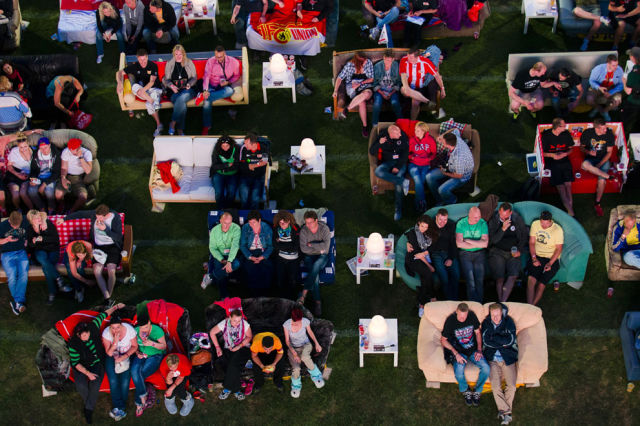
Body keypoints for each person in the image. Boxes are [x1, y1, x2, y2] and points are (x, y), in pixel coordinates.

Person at [69, 302, 125, 424]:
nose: (86, 336)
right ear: (78, 335)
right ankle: (89, 402)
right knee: (81, 385)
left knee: (95, 382)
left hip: (97, 362)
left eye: (86, 333)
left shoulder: (92, 327)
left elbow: (103, 315)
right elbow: (76, 363)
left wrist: (115, 307)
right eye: (82, 335)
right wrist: (87, 373)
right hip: (81, 365)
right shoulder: (74, 344)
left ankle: (88, 409)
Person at [63, 204, 123, 301]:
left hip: (112, 247)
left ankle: (109, 294)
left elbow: (118, 237)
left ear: (106, 215)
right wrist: (65, 219)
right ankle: (107, 297)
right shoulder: (94, 215)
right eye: (96, 216)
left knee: (111, 271)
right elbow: (80, 213)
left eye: (100, 217)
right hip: (99, 247)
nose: (97, 219)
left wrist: (106, 230)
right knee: (96, 271)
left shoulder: (114, 218)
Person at [441, 302, 490, 407]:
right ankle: (466, 390)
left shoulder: (471, 316)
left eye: (465, 316)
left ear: (467, 313)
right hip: (459, 351)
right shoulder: (451, 321)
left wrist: (479, 350)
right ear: (456, 312)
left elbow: (477, 333)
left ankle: (477, 390)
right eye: (460, 316)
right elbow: (443, 340)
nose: (463, 319)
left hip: (473, 350)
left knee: (486, 368)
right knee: (458, 372)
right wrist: (456, 353)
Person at [481, 303, 518, 426]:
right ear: (490, 314)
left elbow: (511, 340)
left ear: (502, 313)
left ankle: (504, 412)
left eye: (497, 315)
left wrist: (495, 337)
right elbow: (486, 341)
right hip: (492, 359)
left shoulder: (509, 322)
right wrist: (502, 340)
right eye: (493, 315)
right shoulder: (486, 323)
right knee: (495, 387)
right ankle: (507, 413)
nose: (495, 318)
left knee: (512, 386)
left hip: (508, 357)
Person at [116, 48, 163, 136]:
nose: (143, 62)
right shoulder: (134, 66)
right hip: (144, 93)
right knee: (134, 87)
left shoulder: (153, 65)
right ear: (137, 58)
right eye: (141, 60)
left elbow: (152, 82)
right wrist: (119, 83)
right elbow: (119, 73)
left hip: (154, 89)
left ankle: (158, 125)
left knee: (148, 105)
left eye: (144, 59)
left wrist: (143, 90)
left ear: (147, 57)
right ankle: (153, 101)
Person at [101, 311, 138, 421]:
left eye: (118, 327)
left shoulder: (129, 330)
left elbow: (135, 346)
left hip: (126, 355)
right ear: (110, 327)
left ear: (121, 326)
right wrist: (115, 343)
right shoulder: (106, 333)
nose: (115, 330)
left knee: (125, 380)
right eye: (113, 328)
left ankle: (120, 408)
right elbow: (108, 352)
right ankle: (120, 407)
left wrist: (124, 356)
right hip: (111, 356)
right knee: (113, 380)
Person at [487, 202, 527, 302]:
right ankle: (502, 303)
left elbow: (523, 236)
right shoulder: (494, 220)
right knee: (499, 279)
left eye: (506, 215)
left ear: (510, 213)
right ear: (499, 212)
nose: (503, 217)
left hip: (513, 250)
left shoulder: (517, 219)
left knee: (513, 276)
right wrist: (502, 229)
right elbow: (492, 240)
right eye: (501, 214)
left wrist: (520, 250)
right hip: (497, 251)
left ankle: (502, 302)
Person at [209, 309, 253, 401]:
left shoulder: (244, 324)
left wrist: (239, 346)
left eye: (239, 320)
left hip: (243, 348)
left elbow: (249, 337)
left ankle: (228, 389)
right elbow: (212, 332)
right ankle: (236, 390)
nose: (237, 323)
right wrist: (217, 347)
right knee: (230, 366)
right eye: (234, 320)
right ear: (230, 318)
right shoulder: (224, 323)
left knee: (233, 366)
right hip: (229, 348)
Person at [369, 124, 409, 221]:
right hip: (387, 162)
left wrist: (397, 166)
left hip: (400, 163)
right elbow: (372, 151)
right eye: (397, 133)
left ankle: (398, 209)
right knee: (378, 171)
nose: (400, 134)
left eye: (399, 132)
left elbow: (405, 154)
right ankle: (403, 181)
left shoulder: (402, 136)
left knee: (398, 184)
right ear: (391, 134)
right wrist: (379, 143)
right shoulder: (383, 136)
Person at [283, 306, 325, 398]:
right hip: (293, 348)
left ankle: (316, 376)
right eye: (296, 322)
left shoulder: (305, 321)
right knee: (296, 368)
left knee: (305, 357)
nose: (298, 323)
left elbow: (310, 332)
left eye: (299, 321)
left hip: (305, 344)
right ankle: (296, 386)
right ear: (292, 319)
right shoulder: (286, 325)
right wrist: (294, 354)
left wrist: (317, 344)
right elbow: (287, 341)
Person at [131, 310, 167, 417]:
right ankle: (144, 395)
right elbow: (134, 345)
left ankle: (139, 403)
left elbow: (164, 346)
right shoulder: (136, 330)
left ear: (149, 323)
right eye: (142, 328)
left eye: (146, 327)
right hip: (141, 353)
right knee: (134, 370)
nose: (144, 330)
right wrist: (137, 352)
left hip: (155, 355)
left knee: (141, 373)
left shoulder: (157, 331)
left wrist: (152, 343)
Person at [425, 130, 474, 206]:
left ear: (448, 145)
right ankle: (439, 199)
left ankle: (451, 200)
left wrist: (446, 173)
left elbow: (459, 175)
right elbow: (456, 129)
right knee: (429, 177)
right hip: (450, 165)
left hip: (461, 176)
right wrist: (442, 136)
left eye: (443, 142)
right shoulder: (456, 138)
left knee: (442, 190)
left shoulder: (459, 158)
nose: (441, 143)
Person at [580, 118, 617, 216]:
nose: (606, 130)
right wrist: (588, 152)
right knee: (584, 165)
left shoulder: (609, 134)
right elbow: (582, 147)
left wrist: (600, 164)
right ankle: (607, 176)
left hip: (603, 159)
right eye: (603, 129)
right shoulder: (587, 133)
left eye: (606, 128)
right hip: (590, 159)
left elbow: (609, 153)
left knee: (602, 182)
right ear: (597, 129)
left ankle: (597, 202)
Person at [201, 46, 241, 135]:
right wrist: (205, 90)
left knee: (230, 91)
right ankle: (207, 126)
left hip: (224, 86)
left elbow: (236, 75)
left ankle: (206, 97)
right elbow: (206, 76)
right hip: (212, 84)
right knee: (207, 103)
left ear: (225, 54)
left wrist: (228, 82)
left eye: (221, 57)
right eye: (217, 57)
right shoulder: (211, 61)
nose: (218, 59)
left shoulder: (233, 62)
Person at [332, 52, 374, 137]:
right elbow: (340, 78)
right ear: (357, 63)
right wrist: (335, 91)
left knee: (366, 94)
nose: (366, 63)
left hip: (365, 86)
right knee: (361, 102)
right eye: (363, 62)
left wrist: (361, 83)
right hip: (352, 88)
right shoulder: (349, 65)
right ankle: (365, 126)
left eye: (365, 61)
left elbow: (371, 79)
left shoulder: (368, 62)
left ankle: (347, 109)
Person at [527, 210, 564, 305]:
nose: (543, 226)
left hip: (551, 258)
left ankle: (531, 306)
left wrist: (550, 263)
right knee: (531, 281)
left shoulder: (557, 230)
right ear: (540, 220)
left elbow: (559, 249)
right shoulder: (535, 224)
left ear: (550, 221)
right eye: (542, 223)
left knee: (541, 284)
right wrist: (534, 258)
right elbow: (531, 242)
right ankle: (529, 307)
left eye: (546, 224)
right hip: (537, 256)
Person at [405, 214, 439, 317]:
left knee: (426, 277)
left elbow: (431, 248)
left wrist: (426, 258)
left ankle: (422, 303)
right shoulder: (413, 234)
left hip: (423, 257)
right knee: (428, 273)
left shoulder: (430, 234)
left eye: (426, 227)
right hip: (414, 259)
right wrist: (429, 266)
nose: (423, 229)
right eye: (422, 226)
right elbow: (417, 254)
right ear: (418, 223)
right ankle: (432, 297)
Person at [298, 210, 331, 316]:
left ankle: (303, 294)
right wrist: (318, 247)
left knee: (316, 265)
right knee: (315, 274)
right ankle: (317, 302)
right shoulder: (304, 230)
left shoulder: (324, 229)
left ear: (316, 220)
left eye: (310, 222)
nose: (308, 225)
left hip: (322, 256)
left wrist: (311, 245)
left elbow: (326, 248)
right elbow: (303, 249)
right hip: (309, 256)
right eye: (306, 222)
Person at [26, 210, 62, 305]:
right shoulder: (30, 229)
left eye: (39, 217)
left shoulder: (47, 224)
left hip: (53, 250)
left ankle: (52, 293)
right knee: (42, 259)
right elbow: (30, 246)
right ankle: (59, 278)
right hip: (40, 251)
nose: (38, 219)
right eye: (36, 218)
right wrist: (33, 243)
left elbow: (55, 240)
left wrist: (42, 239)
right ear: (31, 220)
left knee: (46, 268)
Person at [202, 211, 241, 297]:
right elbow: (212, 248)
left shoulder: (236, 229)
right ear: (220, 221)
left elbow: (235, 246)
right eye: (224, 223)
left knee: (236, 264)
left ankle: (211, 276)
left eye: (229, 223)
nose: (227, 226)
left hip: (232, 254)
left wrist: (229, 261)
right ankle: (224, 295)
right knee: (221, 270)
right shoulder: (214, 231)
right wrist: (222, 259)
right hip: (219, 255)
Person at [540, 118, 575, 216]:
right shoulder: (546, 136)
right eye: (564, 125)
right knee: (561, 187)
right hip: (552, 162)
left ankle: (570, 210)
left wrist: (564, 154)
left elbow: (571, 149)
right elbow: (541, 152)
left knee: (568, 185)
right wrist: (553, 156)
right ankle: (571, 212)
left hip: (564, 160)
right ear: (558, 127)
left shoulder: (566, 134)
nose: (566, 127)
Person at [400, 48, 446, 121]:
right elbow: (403, 76)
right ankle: (428, 102)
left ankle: (412, 122)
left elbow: (437, 76)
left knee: (415, 103)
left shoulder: (425, 63)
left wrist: (442, 88)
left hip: (420, 87)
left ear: (417, 57)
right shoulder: (404, 60)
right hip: (407, 85)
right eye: (408, 56)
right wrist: (407, 87)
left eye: (411, 57)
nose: (408, 59)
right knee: (404, 89)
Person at [161, 45, 196, 135]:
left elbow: (194, 78)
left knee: (182, 98)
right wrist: (171, 86)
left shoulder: (189, 62)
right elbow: (166, 79)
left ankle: (172, 123)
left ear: (183, 54)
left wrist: (189, 84)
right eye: (176, 54)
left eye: (180, 54)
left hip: (188, 90)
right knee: (182, 105)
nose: (178, 56)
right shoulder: (170, 64)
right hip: (174, 92)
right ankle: (180, 129)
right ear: (173, 54)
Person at [456, 206, 488, 302]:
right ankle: (472, 304)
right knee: (470, 281)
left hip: (480, 254)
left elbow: (485, 244)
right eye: (475, 217)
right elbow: (459, 243)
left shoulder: (482, 223)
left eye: (479, 216)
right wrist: (478, 243)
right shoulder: (461, 224)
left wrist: (468, 240)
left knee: (479, 280)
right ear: (469, 215)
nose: (477, 219)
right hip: (465, 254)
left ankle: (479, 303)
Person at [0, 210, 28, 315]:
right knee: (12, 276)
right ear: (9, 221)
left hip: (21, 252)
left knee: (23, 275)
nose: (15, 228)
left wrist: (27, 240)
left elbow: (36, 217)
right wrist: (6, 239)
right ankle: (19, 302)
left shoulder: (25, 220)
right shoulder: (2, 226)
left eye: (17, 226)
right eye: (13, 225)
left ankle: (17, 303)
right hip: (7, 254)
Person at [240, 210, 274, 296]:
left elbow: (270, 246)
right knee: (250, 269)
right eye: (250, 223)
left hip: (263, 251)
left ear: (259, 220)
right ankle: (253, 294)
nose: (251, 225)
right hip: (250, 251)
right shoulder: (246, 227)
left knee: (266, 269)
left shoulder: (266, 228)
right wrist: (250, 256)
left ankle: (265, 294)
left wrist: (263, 257)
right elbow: (242, 245)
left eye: (254, 223)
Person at [56, 137, 93, 213]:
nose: (72, 152)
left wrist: (81, 157)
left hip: (78, 178)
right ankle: (62, 205)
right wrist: (63, 178)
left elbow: (88, 170)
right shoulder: (66, 151)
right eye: (71, 150)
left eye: (75, 150)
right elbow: (64, 167)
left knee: (83, 197)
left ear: (79, 147)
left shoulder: (87, 153)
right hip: (67, 175)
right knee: (58, 194)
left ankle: (71, 211)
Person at [431, 208, 460, 300]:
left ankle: (454, 298)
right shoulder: (430, 225)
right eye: (440, 219)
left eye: (445, 220)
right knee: (444, 277)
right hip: (436, 254)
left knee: (456, 274)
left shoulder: (450, 225)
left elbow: (453, 243)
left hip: (448, 252)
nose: (443, 222)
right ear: (436, 217)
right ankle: (448, 299)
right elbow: (418, 227)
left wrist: (451, 258)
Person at [407, 121, 437, 212]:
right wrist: (411, 157)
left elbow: (434, 153)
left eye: (418, 131)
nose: (416, 132)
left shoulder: (430, 140)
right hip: (413, 164)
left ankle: (418, 203)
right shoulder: (412, 140)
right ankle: (422, 202)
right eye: (415, 130)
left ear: (424, 131)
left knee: (421, 180)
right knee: (417, 178)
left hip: (425, 165)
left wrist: (428, 159)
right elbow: (407, 153)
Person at [28, 137, 61, 214]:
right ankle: (41, 207)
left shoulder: (56, 154)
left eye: (45, 147)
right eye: (41, 148)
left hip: (51, 177)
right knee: (31, 191)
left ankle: (51, 208)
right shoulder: (36, 154)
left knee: (49, 190)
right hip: (39, 177)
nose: (44, 150)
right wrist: (33, 179)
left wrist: (44, 184)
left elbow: (56, 173)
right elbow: (33, 170)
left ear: (49, 145)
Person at [238, 132, 270, 209]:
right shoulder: (243, 149)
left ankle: (254, 215)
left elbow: (265, 162)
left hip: (258, 177)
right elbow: (241, 165)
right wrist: (257, 164)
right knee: (244, 198)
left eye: (246, 143)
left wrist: (253, 165)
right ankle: (245, 215)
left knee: (254, 199)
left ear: (253, 144)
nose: (244, 145)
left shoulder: (264, 149)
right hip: (245, 176)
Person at [371, 49, 403, 128]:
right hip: (380, 90)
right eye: (385, 59)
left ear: (393, 59)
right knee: (377, 104)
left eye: (389, 60)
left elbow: (399, 82)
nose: (387, 62)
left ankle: (402, 122)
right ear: (383, 58)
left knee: (395, 102)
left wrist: (391, 93)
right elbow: (374, 82)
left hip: (392, 89)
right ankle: (374, 124)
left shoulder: (396, 66)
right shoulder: (377, 66)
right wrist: (382, 93)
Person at [272, 210, 300, 299]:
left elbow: (296, 247)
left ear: (288, 221)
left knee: (293, 281)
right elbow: (275, 245)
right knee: (280, 280)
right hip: (280, 258)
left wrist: (281, 245)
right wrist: (288, 246)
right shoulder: (276, 228)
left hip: (293, 259)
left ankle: (293, 299)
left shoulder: (295, 228)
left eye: (283, 223)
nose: (281, 225)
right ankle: (281, 299)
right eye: (280, 223)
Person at [587, 54, 623, 122]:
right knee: (589, 100)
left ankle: (605, 111)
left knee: (617, 101)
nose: (616, 67)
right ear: (608, 64)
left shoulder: (619, 70)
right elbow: (591, 81)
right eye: (613, 65)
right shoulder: (598, 69)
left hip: (611, 88)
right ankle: (598, 109)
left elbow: (621, 84)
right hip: (598, 87)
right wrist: (599, 87)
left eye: (617, 65)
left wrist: (611, 92)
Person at [6, 134, 35, 210]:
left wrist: (29, 176)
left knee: (23, 193)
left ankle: (32, 211)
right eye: (21, 147)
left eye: (25, 146)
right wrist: (17, 174)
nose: (23, 149)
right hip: (15, 174)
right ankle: (18, 209)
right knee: (15, 194)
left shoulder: (34, 151)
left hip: (27, 175)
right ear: (18, 146)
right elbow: (9, 166)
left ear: (28, 144)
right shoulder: (14, 151)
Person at [210, 135, 240, 209]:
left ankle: (228, 209)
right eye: (223, 146)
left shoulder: (236, 149)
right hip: (219, 173)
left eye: (227, 145)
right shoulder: (217, 150)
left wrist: (223, 168)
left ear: (231, 145)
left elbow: (237, 165)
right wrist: (227, 165)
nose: (225, 148)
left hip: (233, 174)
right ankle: (221, 209)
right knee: (219, 193)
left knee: (232, 192)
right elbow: (215, 166)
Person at [623, 47, 640, 133]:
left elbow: (628, 91)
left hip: (634, 102)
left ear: (633, 57)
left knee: (627, 122)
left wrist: (624, 81)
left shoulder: (634, 72)